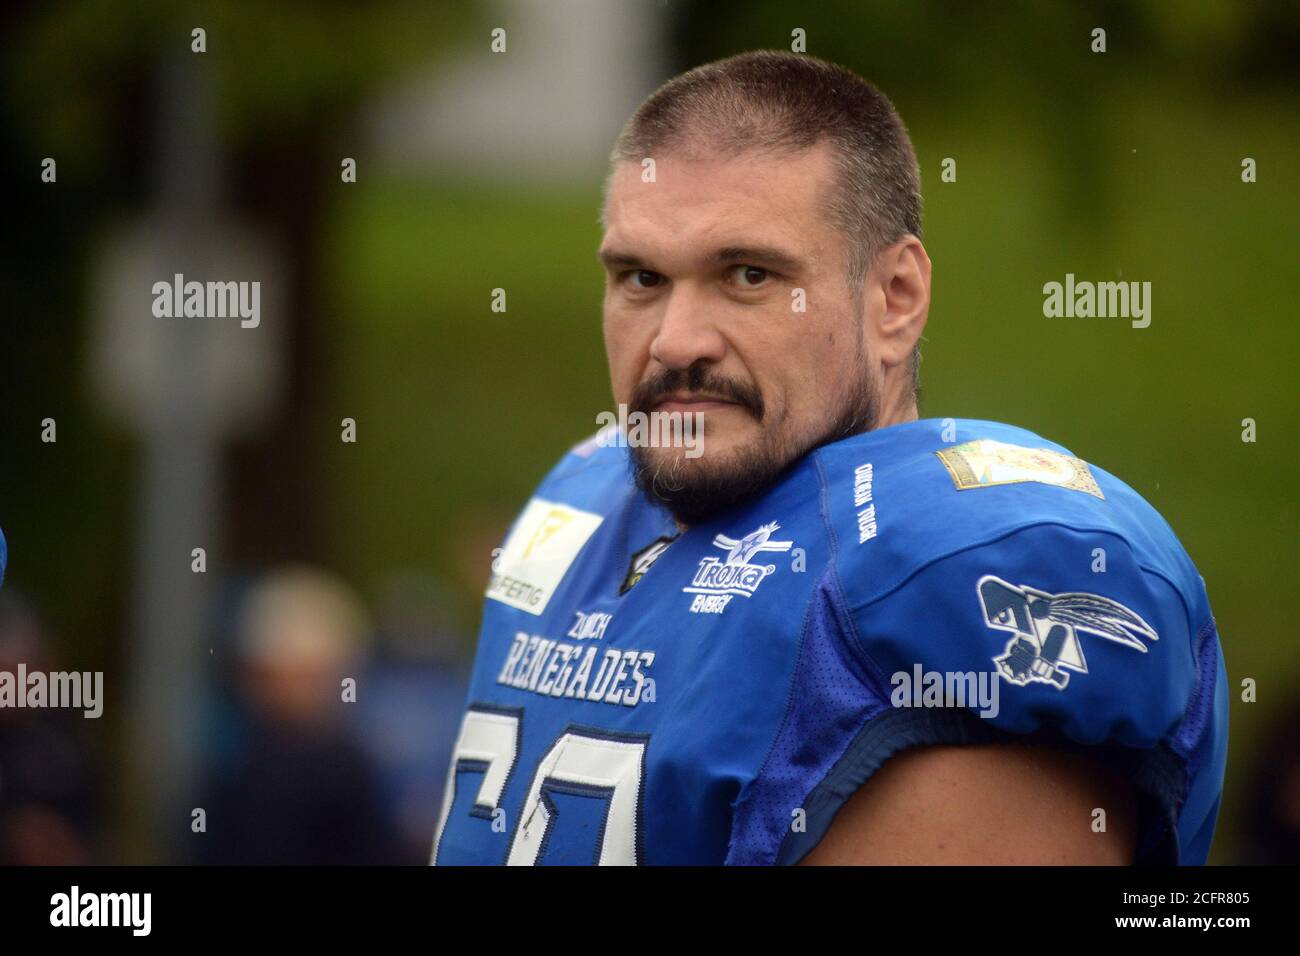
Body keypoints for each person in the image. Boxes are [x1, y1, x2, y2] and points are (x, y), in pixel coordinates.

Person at [431, 50, 1227, 865]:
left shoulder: (950, 567)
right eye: (640, 277)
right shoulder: (586, 499)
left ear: (894, 300)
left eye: (748, 274)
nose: (674, 342)